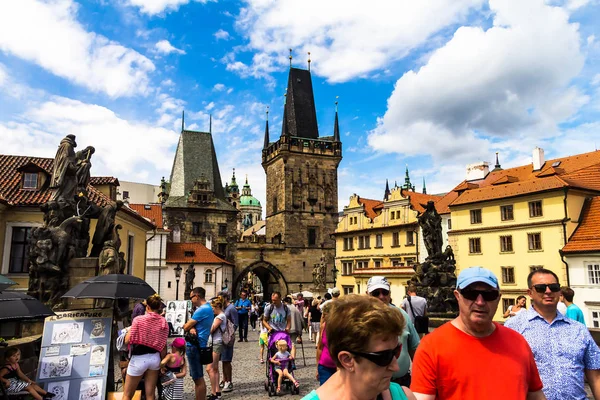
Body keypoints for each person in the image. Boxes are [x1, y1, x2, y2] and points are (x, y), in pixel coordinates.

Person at [411, 266, 545, 399]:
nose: (480, 302)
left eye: (488, 295)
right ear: (457, 296)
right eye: (471, 294)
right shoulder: (431, 346)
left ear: (498, 298)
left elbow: (536, 395)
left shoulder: (518, 342)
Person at [505, 268, 600, 400]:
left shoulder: (578, 329)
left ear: (559, 291)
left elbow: (595, 376)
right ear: (530, 293)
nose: (548, 291)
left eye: (553, 287)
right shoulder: (513, 327)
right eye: (541, 288)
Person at [302, 295, 416, 400]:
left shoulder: (404, 395)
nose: (396, 367)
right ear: (347, 360)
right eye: (385, 357)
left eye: (396, 351)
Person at [368, 276, 420, 388]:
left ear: (390, 294)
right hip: (373, 384)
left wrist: (419, 377)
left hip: (401, 381)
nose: (381, 296)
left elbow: (415, 349)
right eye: (376, 293)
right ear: (368, 294)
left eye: (385, 292)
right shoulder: (361, 319)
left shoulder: (402, 315)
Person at [123, 294, 169, 400]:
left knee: (127, 395)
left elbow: (127, 340)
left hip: (138, 358)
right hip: (154, 358)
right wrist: (162, 362)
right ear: (159, 307)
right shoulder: (163, 322)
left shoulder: (138, 320)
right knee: (150, 395)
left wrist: (127, 331)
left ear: (147, 306)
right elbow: (163, 345)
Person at [183, 287, 214, 400]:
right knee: (197, 378)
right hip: (200, 345)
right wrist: (192, 327)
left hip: (195, 346)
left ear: (197, 296)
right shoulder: (208, 308)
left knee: (198, 378)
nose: (191, 300)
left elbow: (186, 326)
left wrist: (189, 327)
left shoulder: (201, 310)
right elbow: (192, 326)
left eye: (191, 297)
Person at [207, 296, 227, 400]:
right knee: (215, 368)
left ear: (218, 306)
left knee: (209, 368)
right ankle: (217, 391)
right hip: (215, 342)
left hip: (216, 343)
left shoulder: (220, 316)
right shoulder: (219, 315)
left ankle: (214, 393)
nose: (212, 310)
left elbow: (211, 329)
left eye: (213, 308)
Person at [218, 291, 238, 393]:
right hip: (221, 337)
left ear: (225, 298)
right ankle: (224, 379)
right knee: (223, 360)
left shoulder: (231, 308)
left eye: (220, 297)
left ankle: (229, 381)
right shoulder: (223, 308)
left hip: (227, 338)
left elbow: (235, 323)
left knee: (227, 361)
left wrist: (229, 334)